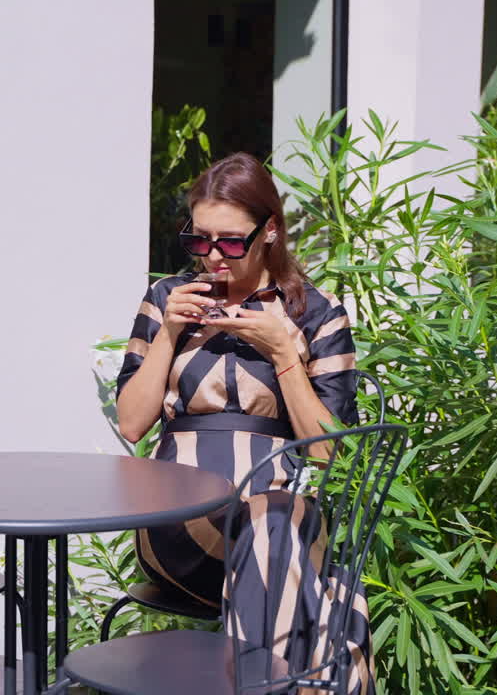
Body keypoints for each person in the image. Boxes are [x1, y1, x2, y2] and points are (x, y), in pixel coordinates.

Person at [115, 152, 372, 692]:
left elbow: (329, 453)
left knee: (273, 530)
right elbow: (133, 424)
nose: (213, 257)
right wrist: (168, 333)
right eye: (199, 240)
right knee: (307, 567)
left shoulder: (317, 314)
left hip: (277, 521)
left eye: (231, 241)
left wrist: (284, 354)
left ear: (270, 230)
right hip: (179, 526)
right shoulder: (167, 298)